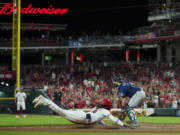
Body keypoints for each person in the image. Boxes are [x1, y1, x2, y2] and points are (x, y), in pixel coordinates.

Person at [33, 95, 127, 127]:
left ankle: (44, 101)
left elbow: (98, 119)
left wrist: (104, 124)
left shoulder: (97, 108)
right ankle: (44, 100)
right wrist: (122, 124)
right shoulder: (104, 111)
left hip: (81, 115)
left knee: (61, 112)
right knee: (61, 111)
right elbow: (113, 118)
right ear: (107, 106)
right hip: (82, 118)